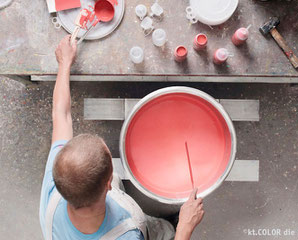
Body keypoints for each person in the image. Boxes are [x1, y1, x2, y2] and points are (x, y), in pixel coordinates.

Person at [39, 35, 204, 240]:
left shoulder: (54, 189)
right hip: (131, 223)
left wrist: (64, 63)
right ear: (108, 184)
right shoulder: (127, 236)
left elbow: (61, 114)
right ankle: (169, 230)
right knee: (160, 231)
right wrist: (185, 228)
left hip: (107, 200)